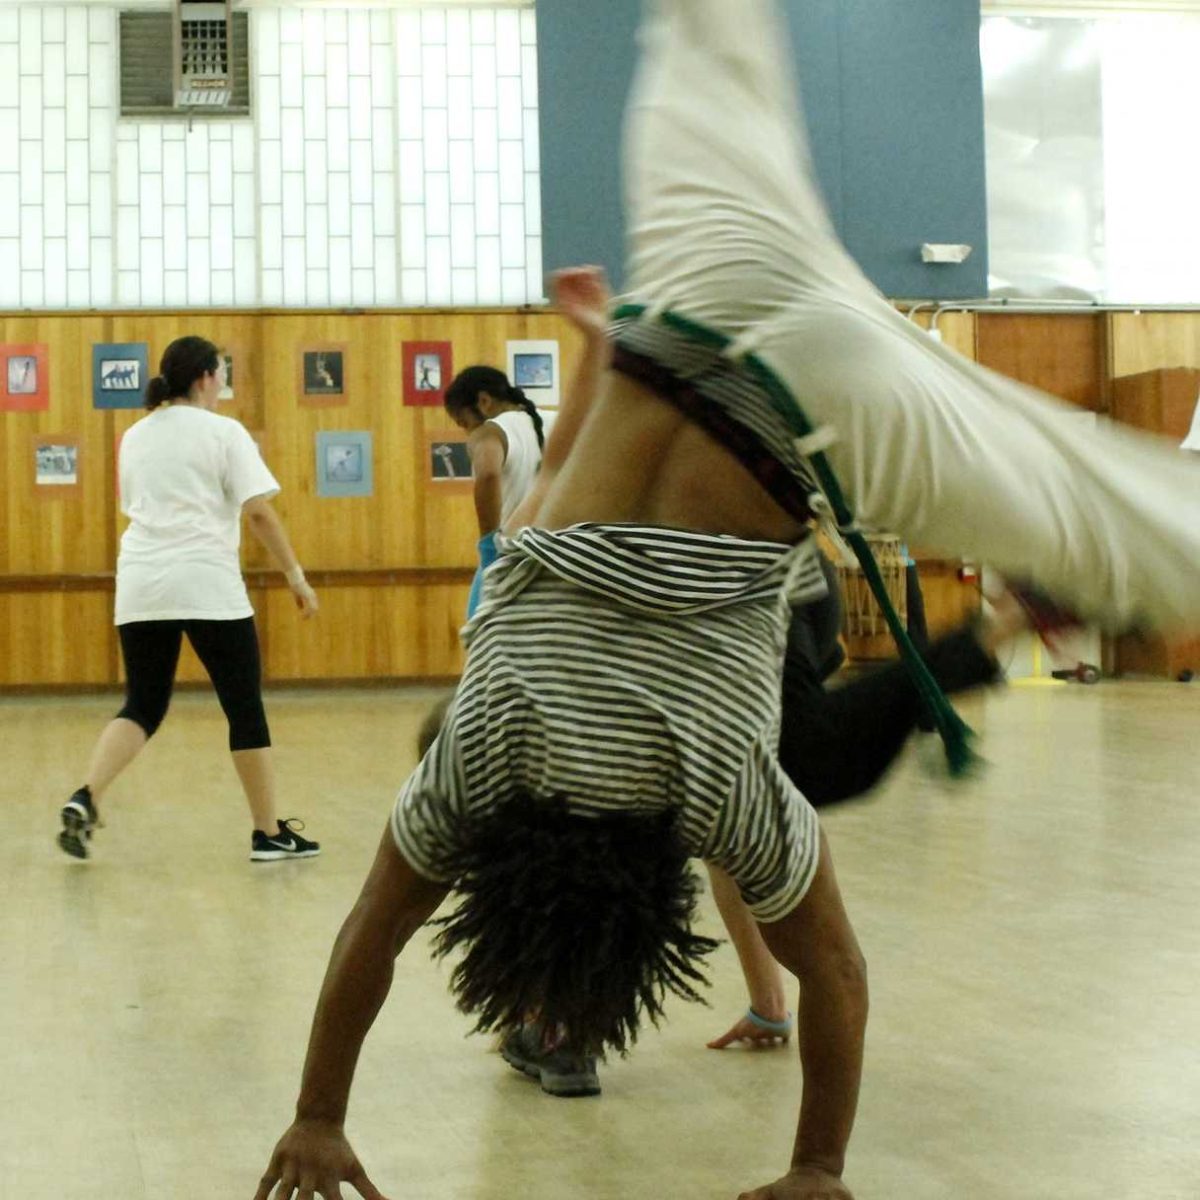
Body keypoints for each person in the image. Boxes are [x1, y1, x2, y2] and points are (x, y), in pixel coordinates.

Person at [257, 2, 1200, 1197]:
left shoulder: (711, 788)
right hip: (688, 302)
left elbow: (839, 974)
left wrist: (818, 1171)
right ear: (499, 870)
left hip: (820, 391)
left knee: (1133, 524)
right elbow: (374, 932)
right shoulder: (482, 743)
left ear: (661, 893)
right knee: (708, 34)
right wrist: (314, 1115)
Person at [59, 335, 322, 864]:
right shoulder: (224, 432)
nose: (224, 381)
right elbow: (260, 513)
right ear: (205, 377)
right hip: (207, 584)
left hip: (141, 583)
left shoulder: (134, 436)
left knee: (144, 703)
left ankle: (85, 795)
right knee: (243, 705)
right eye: (222, 372)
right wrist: (295, 576)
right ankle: (268, 833)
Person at [443, 366, 555, 617]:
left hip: (512, 561)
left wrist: (488, 545)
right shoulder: (559, 423)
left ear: (483, 401)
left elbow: (488, 473)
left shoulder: (489, 431)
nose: (467, 432)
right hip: (562, 563)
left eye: (464, 423)